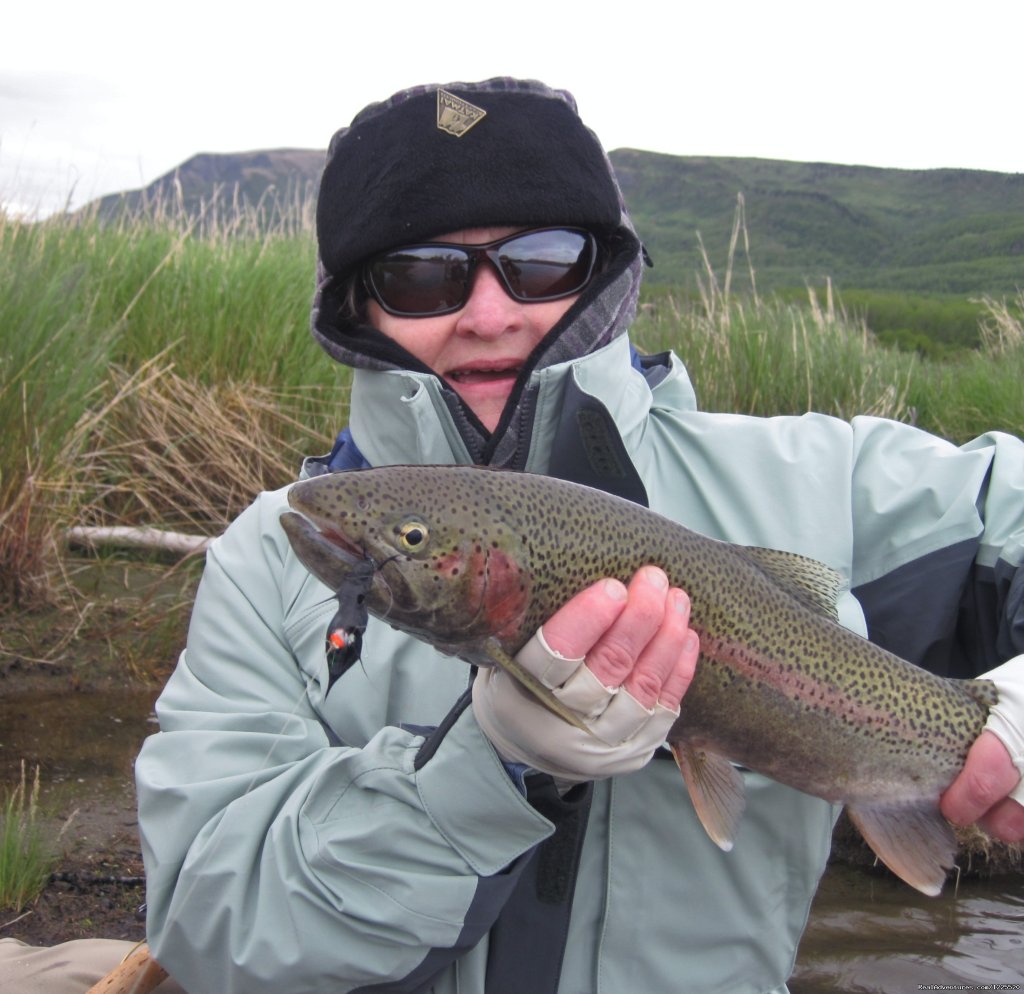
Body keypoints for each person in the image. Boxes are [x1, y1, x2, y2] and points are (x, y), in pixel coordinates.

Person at [5, 77, 1021, 994]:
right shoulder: (266, 561)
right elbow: (212, 928)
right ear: (357, 306)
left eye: (539, 262)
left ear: (603, 275)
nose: (489, 313)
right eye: (420, 275)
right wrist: (480, 773)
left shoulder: (820, 481)